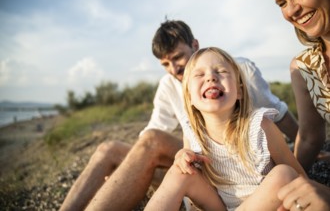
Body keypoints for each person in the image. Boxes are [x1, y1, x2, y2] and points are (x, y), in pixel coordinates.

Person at [60, 20, 298, 211]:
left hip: (248, 161)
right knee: (107, 150)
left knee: (153, 139)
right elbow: (149, 137)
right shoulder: (169, 85)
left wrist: (305, 145)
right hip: (201, 159)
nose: (173, 69)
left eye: (177, 57)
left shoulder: (237, 71)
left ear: (195, 45)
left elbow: (279, 112)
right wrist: (126, 173)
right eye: (165, 64)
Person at [145, 47, 306, 211]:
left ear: (239, 92)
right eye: (200, 75)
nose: (211, 78)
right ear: (189, 97)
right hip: (218, 206)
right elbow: (192, 171)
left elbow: (298, 176)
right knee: (180, 172)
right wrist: (181, 157)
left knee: (284, 173)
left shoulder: (260, 127)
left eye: (221, 72)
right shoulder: (192, 131)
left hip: (262, 205)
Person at [272, 0, 330, 172]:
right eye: (282, 3)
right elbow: (309, 138)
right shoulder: (304, 67)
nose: (291, 10)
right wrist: (295, 180)